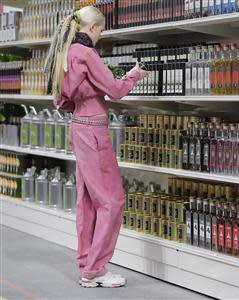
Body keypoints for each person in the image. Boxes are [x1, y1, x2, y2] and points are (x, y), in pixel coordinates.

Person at [44, 6, 148, 288]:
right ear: (91, 27)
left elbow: (61, 100)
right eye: (101, 30)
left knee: (88, 201)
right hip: (94, 133)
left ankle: (86, 265)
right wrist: (134, 75)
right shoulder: (87, 53)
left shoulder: (66, 54)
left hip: (79, 128)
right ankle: (96, 270)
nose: (101, 35)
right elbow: (115, 90)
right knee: (112, 201)